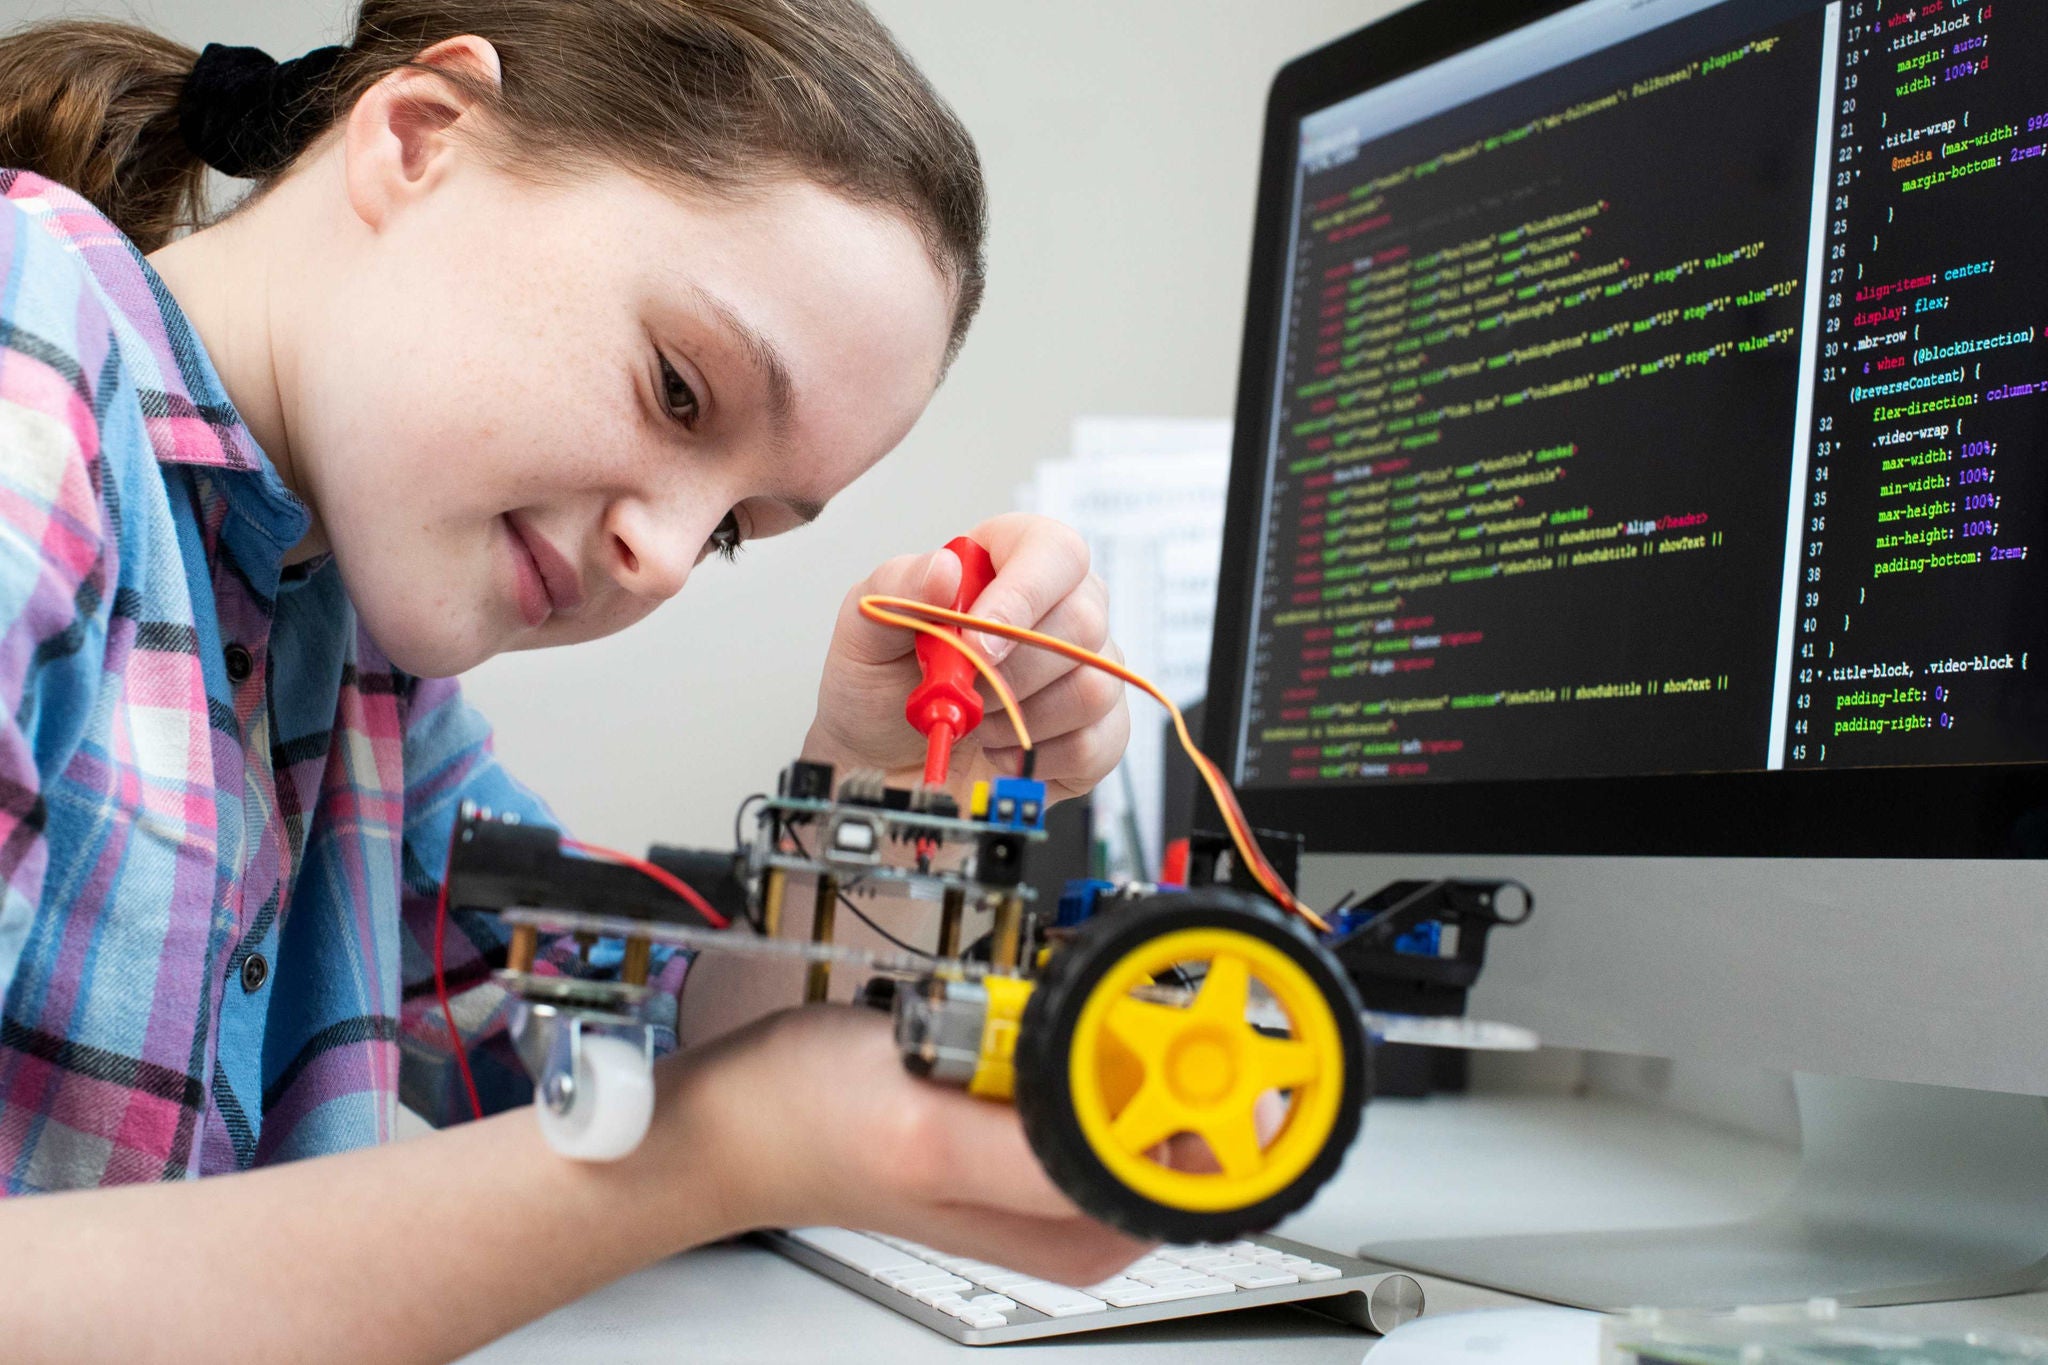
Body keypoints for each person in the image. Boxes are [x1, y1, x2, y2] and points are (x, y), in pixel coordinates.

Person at [0, 2, 1142, 1358]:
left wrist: (876, 790)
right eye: (677, 389)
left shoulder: (338, 625)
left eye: (731, 526)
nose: (660, 558)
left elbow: (618, 1041)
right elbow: (697, 1111)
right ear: (423, 137)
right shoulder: (31, 381)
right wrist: (724, 1147)